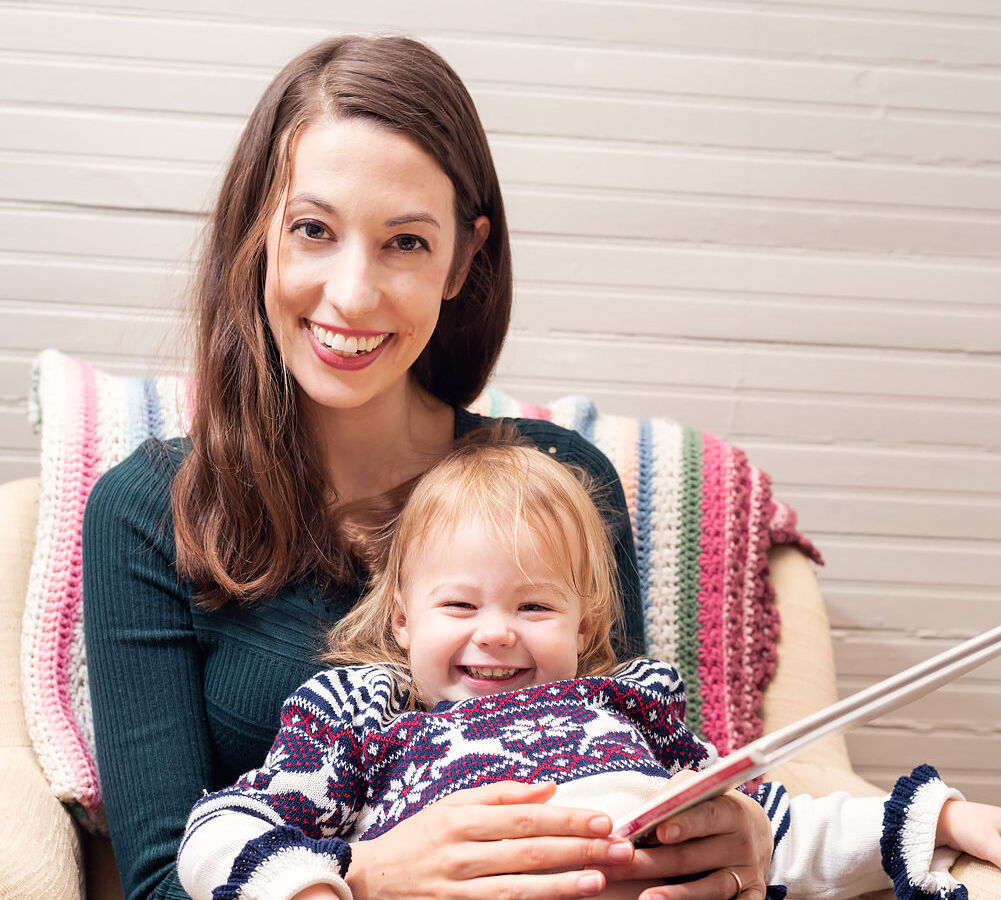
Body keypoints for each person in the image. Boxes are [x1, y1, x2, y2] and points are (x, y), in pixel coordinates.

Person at [81, 35, 777, 900]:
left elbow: (630, 754)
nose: (352, 293)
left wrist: (739, 839)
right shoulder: (150, 511)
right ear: (257, 233)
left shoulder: (558, 481)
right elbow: (153, 882)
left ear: (462, 258)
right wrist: (368, 876)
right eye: (312, 230)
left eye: (405, 242)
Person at [176, 440, 1001, 900]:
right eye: (459, 607)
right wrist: (321, 891)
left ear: (586, 627)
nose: (495, 635)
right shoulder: (365, 712)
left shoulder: (625, 709)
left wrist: (947, 820)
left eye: (533, 609)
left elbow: (775, 829)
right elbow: (226, 825)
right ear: (401, 619)